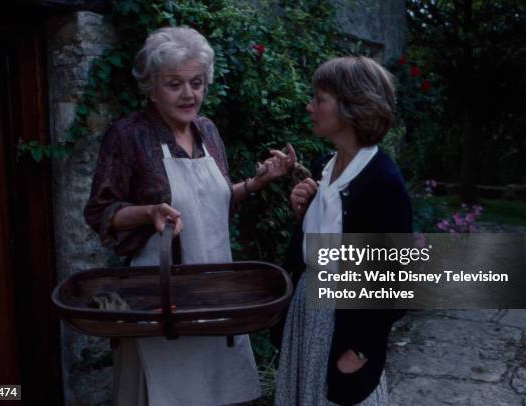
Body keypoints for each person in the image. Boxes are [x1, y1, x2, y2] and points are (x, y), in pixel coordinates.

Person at [83, 26, 295, 406]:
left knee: (218, 392)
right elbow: (100, 211)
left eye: (196, 83)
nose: (188, 94)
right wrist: (149, 212)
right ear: (150, 86)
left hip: (217, 294)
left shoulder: (208, 131)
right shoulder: (128, 135)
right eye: (174, 84)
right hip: (161, 298)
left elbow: (212, 204)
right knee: (168, 393)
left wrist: (257, 183)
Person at [274, 56, 411, 406]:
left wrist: (362, 350)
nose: (310, 107)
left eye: (319, 99)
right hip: (309, 309)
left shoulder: (382, 181)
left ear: (351, 107)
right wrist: (305, 213)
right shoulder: (325, 167)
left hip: (346, 320)